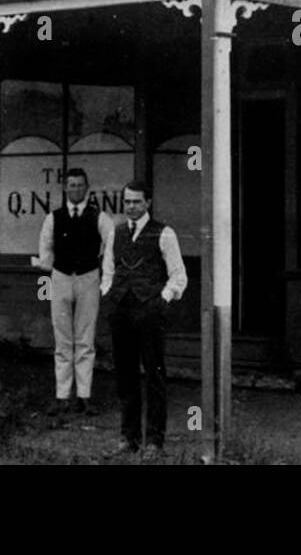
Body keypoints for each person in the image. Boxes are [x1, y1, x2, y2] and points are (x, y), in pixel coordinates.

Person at [102, 180, 187, 458]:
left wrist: (162, 299)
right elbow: (108, 270)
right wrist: (108, 293)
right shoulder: (116, 233)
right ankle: (129, 438)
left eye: (137, 201)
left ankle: (154, 442)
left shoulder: (164, 233)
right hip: (121, 310)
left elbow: (179, 276)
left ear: (148, 203)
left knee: (154, 375)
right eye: (127, 201)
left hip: (150, 312)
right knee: (125, 375)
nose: (131, 206)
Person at [36, 167, 115, 415]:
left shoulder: (99, 217)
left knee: (85, 338)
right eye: (71, 185)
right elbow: (45, 249)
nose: (76, 189)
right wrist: (47, 282)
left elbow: (111, 245)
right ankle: (61, 396)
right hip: (60, 278)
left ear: (87, 188)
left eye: (80, 185)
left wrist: (104, 273)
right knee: (62, 339)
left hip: (88, 278)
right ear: (65, 188)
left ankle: (83, 396)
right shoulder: (53, 217)